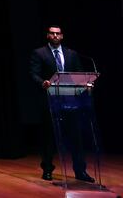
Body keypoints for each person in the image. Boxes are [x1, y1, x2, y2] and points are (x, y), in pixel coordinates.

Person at [29, 25, 94, 183]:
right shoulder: (39, 53)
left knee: (76, 137)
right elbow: (33, 73)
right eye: (52, 33)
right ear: (48, 36)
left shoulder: (72, 53)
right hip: (50, 100)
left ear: (62, 36)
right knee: (48, 137)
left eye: (58, 33)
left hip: (70, 100)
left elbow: (78, 73)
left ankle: (80, 171)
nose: (55, 36)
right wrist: (42, 82)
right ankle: (48, 170)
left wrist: (86, 83)